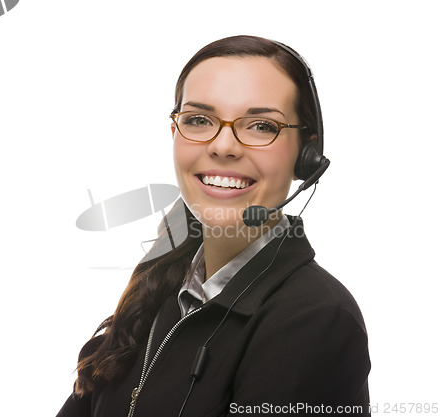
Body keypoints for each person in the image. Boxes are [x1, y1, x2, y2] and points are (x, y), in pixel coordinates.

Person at [57, 35, 371, 416]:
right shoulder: (160, 286)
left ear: (306, 155)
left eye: (260, 126)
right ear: (175, 134)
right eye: (199, 120)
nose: (223, 146)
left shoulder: (317, 320)